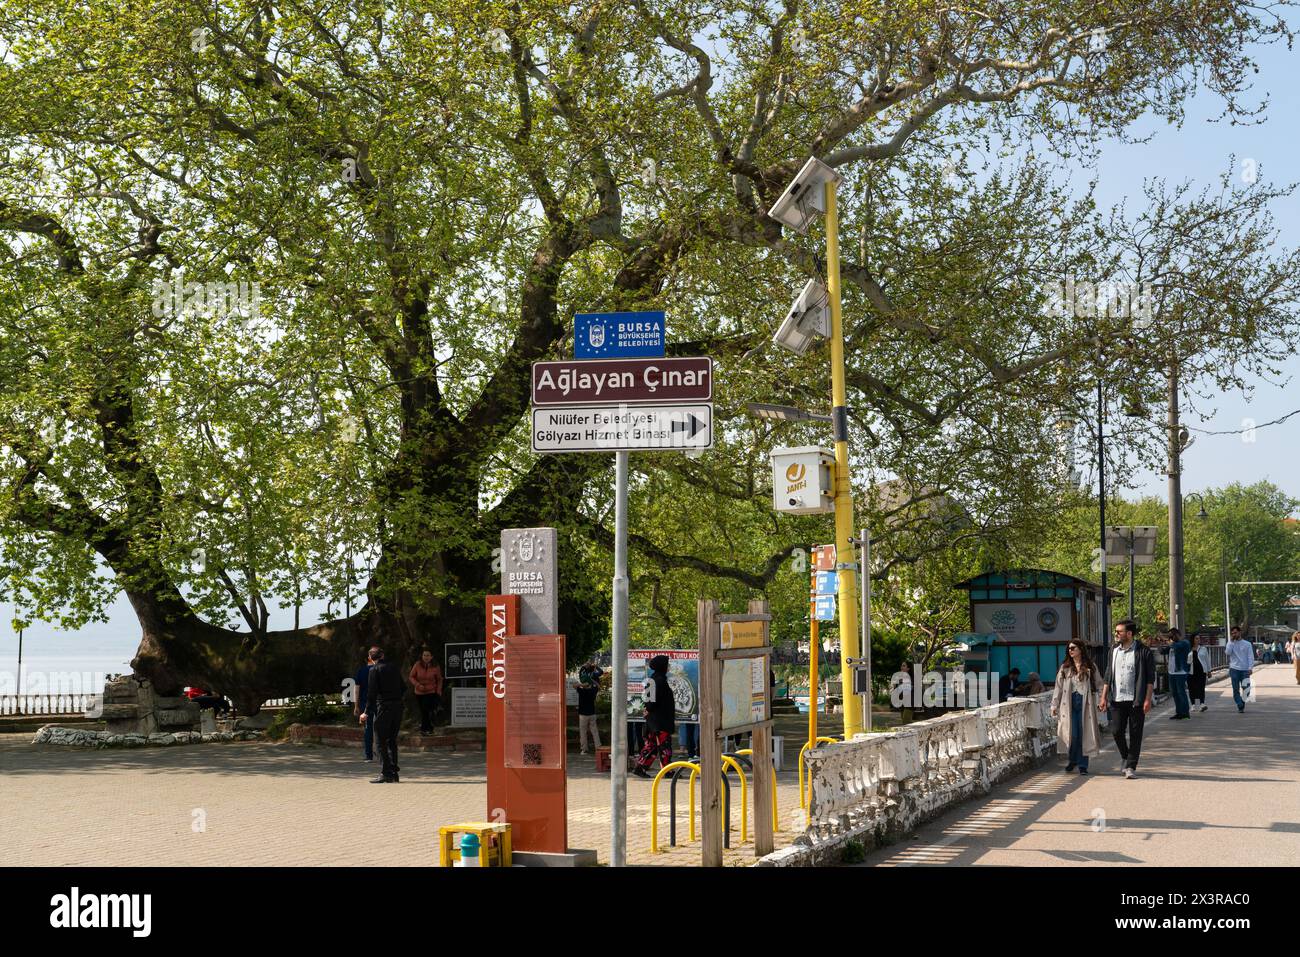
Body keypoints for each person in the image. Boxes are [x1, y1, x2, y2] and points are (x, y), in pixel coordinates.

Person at [1100, 619, 1156, 779]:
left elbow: (1150, 678)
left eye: (1119, 631)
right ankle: (1126, 756)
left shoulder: (1143, 651)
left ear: (1129, 633)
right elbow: (1108, 675)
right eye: (1116, 631)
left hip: (1136, 699)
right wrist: (1103, 697)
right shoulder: (1113, 650)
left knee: (1135, 734)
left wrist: (1147, 699)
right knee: (1116, 731)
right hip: (1117, 699)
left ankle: (1131, 766)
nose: (1116, 634)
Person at [1051, 641, 1103, 774]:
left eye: (1073, 648)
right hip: (1069, 703)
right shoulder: (1065, 667)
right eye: (1069, 648)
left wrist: (1102, 700)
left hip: (1085, 703)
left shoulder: (1090, 666)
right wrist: (1054, 704)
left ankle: (1082, 765)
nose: (1070, 650)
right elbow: (1058, 687)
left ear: (1081, 649)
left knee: (1083, 734)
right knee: (1072, 734)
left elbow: (1099, 684)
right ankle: (1073, 759)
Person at [362, 646, 404, 783]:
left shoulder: (374, 670)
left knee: (379, 740)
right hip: (398, 706)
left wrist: (366, 712)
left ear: (370, 658)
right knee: (391, 740)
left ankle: (385, 772)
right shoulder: (394, 667)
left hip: (384, 707)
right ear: (383, 655)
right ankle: (394, 773)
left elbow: (372, 693)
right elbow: (404, 687)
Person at [631, 655, 674, 778]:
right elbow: (650, 701)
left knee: (652, 746)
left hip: (655, 720)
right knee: (664, 746)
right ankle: (667, 770)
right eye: (667, 664)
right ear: (663, 666)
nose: (668, 667)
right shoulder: (657, 680)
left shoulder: (655, 679)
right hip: (659, 721)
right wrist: (648, 709)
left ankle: (640, 767)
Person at [408, 647, 444, 734]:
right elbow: (411, 676)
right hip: (419, 692)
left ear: (431, 657)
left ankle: (424, 729)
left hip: (431, 692)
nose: (426, 657)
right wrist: (417, 685)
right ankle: (430, 728)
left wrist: (438, 691)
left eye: (428, 655)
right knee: (423, 711)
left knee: (426, 709)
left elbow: (439, 679)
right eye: (424, 655)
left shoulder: (436, 666)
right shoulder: (417, 664)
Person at [1225, 626, 1255, 713]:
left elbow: (1250, 656)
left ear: (1239, 632)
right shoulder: (1230, 643)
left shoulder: (1247, 644)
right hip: (1234, 669)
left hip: (1245, 670)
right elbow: (1227, 652)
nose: (1234, 634)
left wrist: (1250, 668)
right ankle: (1240, 705)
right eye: (1232, 633)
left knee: (1247, 690)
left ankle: (1241, 703)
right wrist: (1231, 642)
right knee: (1235, 689)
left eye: (1235, 632)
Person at [576, 661, 603, 755]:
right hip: (592, 713)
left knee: (583, 732)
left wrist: (584, 684)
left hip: (582, 714)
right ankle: (598, 747)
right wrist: (592, 681)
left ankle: (584, 749)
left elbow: (575, 685)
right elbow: (598, 686)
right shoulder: (593, 691)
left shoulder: (581, 691)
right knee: (594, 731)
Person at [353, 651, 375, 761]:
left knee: (368, 729)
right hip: (379, 703)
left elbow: (357, 690)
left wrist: (356, 706)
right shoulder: (380, 669)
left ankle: (368, 755)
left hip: (365, 703)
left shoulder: (361, 671)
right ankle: (383, 753)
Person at [1166, 628, 1191, 720]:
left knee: (1181, 692)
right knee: (1175, 693)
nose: (1171, 638)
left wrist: (1167, 641)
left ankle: (1185, 713)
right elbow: (1162, 651)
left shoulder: (1184, 643)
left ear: (1177, 634)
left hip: (1180, 671)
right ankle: (1179, 712)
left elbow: (1176, 646)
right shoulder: (1172, 645)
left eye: (1172, 636)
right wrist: (1159, 643)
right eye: (1170, 636)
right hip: (1171, 671)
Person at [1188, 633, 1211, 713]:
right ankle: (1193, 705)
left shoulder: (1203, 649)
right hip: (1191, 672)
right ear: (1193, 639)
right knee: (1191, 688)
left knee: (1201, 687)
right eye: (1196, 638)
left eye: (1199, 638)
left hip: (1201, 671)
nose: (1198, 640)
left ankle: (1202, 704)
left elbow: (1207, 660)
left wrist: (1209, 670)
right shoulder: (1188, 648)